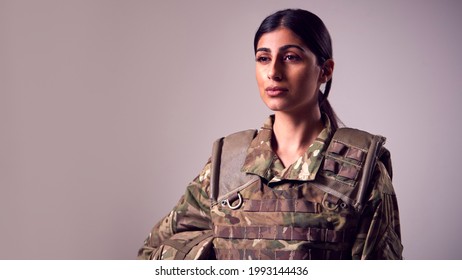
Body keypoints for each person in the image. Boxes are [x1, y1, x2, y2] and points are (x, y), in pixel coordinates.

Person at [138, 8, 403, 260]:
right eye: (263, 58)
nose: (273, 72)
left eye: (291, 57)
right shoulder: (230, 165)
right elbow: (152, 253)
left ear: (325, 70)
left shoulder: (360, 169)